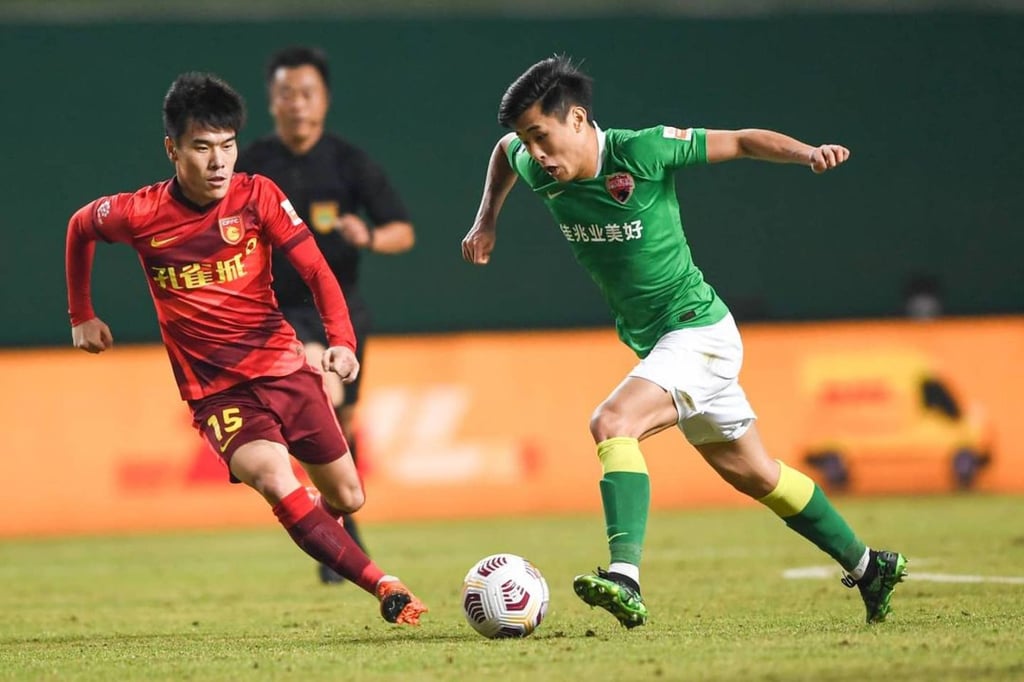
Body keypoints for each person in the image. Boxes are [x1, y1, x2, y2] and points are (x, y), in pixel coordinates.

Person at [461, 56, 907, 629]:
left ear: (576, 118)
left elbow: (744, 141)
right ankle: (871, 567)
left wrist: (807, 154)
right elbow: (503, 154)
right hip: (663, 344)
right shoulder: (533, 162)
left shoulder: (641, 152)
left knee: (612, 423)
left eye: (541, 136)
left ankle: (624, 577)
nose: (535, 153)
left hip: (699, 331)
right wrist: (487, 219)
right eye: (527, 138)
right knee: (758, 475)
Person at [65, 72, 426, 626]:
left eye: (227, 146)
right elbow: (79, 227)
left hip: (285, 369)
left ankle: (319, 529)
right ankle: (385, 586)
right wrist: (82, 315)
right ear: (173, 149)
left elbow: (316, 271)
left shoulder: (257, 195)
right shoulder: (139, 214)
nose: (218, 162)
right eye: (202, 148)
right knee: (277, 479)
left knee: (349, 497)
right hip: (217, 393)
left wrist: (342, 343)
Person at [236, 46, 415, 584]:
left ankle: (335, 526)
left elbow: (403, 230)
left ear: (325, 100)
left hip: (343, 311)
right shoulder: (251, 166)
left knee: (346, 420)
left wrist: (370, 235)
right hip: (280, 312)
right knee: (324, 387)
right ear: (271, 101)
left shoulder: (348, 162)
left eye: (307, 92)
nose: (297, 104)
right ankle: (343, 535)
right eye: (286, 93)